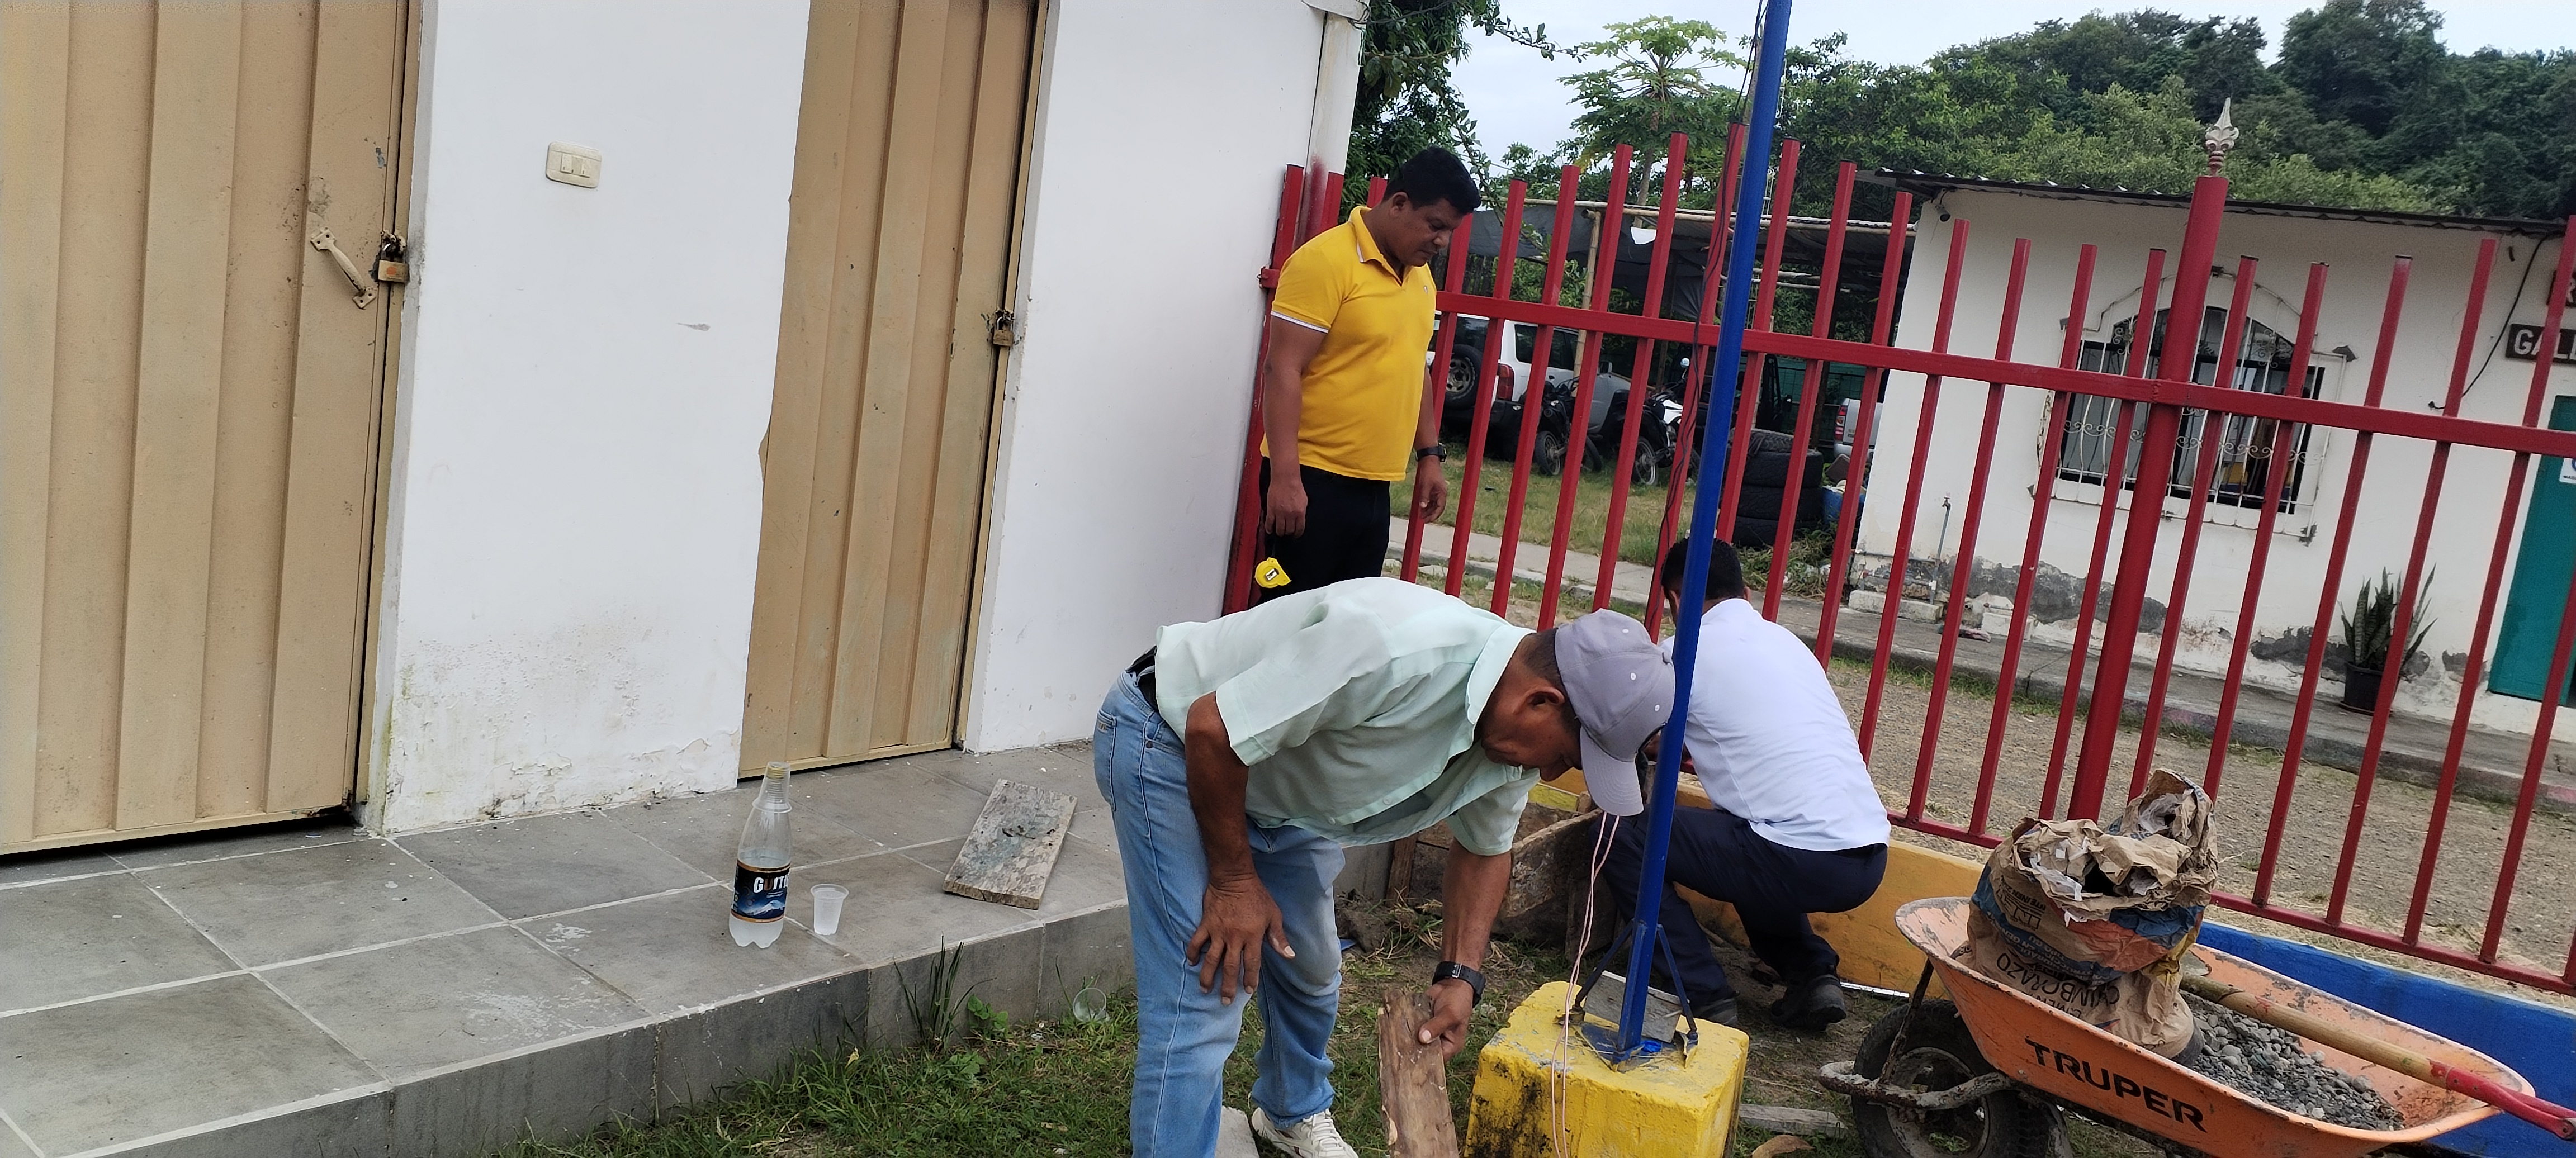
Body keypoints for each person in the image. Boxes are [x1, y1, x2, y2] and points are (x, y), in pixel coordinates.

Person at [1094, 577, 1673, 1156]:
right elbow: (1212, 727)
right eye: (1566, 756)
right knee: (1206, 993)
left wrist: (1461, 975)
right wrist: (1235, 882)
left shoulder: (1509, 736)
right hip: (1172, 744)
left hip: (1275, 787)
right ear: (1540, 702)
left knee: (1312, 966)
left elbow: (1485, 848)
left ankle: (1290, 1112)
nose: (1550, 775)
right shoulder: (1392, 648)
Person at [1597, 537, 1891, 1031]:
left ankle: (1700, 990)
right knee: (1746, 836)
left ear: (1674, 599)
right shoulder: (1786, 642)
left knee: (1619, 836)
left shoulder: (1682, 653)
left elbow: (1638, 736)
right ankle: (1812, 976)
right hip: (1868, 856)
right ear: (1746, 594)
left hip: (1797, 856)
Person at [1258, 148, 1481, 597]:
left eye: (1450, 232)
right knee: (1288, 619)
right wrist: (1285, 477)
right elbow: (1282, 368)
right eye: (1435, 225)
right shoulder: (1325, 261)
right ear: (1398, 203)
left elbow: (1414, 365)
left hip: (1376, 487)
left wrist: (1430, 455)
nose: (1442, 241)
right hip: (1312, 481)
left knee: (1350, 621)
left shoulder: (1419, 278)